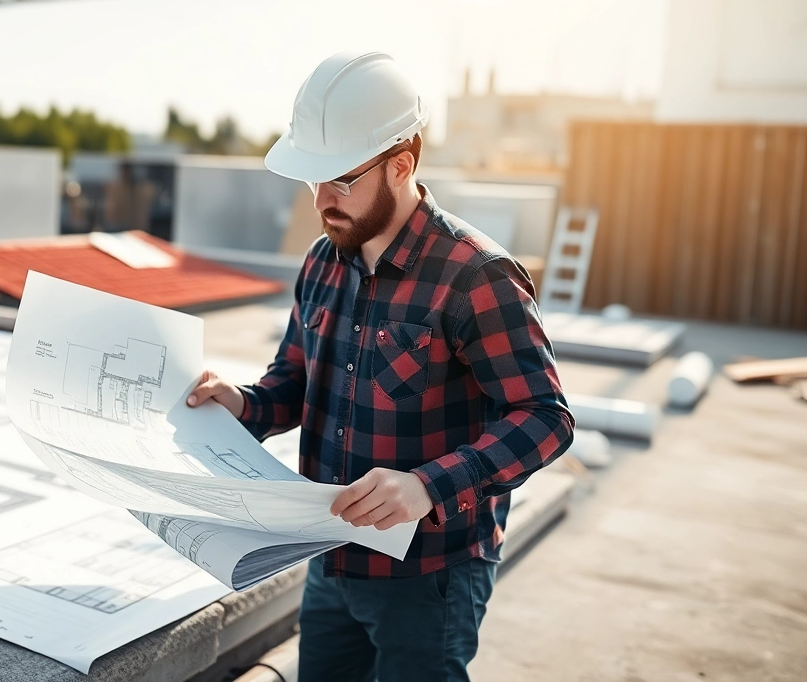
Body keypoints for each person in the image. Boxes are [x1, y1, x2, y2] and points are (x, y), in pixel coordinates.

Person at [186, 52, 574, 681]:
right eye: (311, 178)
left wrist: (427, 486)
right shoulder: (322, 261)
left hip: (431, 579)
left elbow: (546, 420)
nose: (320, 199)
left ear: (402, 164)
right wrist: (243, 404)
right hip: (332, 560)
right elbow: (294, 382)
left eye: (340, 178)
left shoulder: (475, 276)